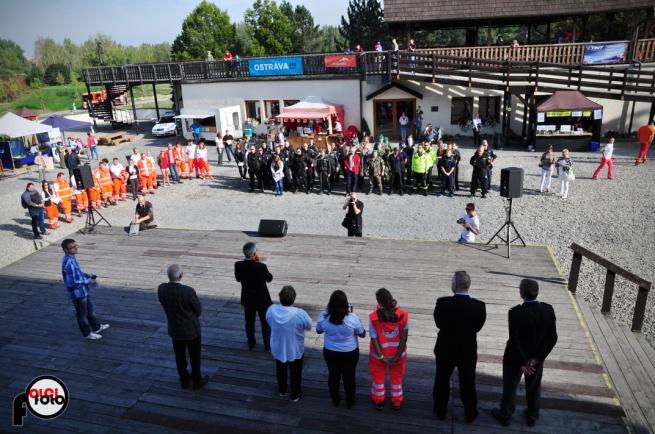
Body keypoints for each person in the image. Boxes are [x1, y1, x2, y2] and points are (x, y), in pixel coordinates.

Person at [491, 279, 558, 427]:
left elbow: (514, 340)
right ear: (537, 292)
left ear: (521, 293)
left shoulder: (515, 312)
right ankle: (532, 415)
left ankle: (505, 414)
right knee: (534, 387)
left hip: (514, 357)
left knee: (510, 385)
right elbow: (552, 338)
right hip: (536, 358)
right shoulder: (548, 310)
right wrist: (536, 359)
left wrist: (523, 361)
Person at [433, 271, 486, 423]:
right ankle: (470, 413)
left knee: (442, 380)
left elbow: (438, 323)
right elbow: (478, 326)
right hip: (467, 350)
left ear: (454, 285)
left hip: (445, 348)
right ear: (468, 285)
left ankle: (440, 411)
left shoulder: (442, 303)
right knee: (468, 382)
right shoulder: (479, 306)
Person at [158, 264, 209, 390]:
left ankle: (184, 380)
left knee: (179, 357)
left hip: (175, 329)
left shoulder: (162, 289)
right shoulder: (188, 291)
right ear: (181, 276)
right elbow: (198, 311)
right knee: (194, 357)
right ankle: (197, 380)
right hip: (191, 330)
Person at [316, 290, 366, 408]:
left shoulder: (323, 317)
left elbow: (318, 330)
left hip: (330, 352)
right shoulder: (352, 318)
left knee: (333, 376)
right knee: (349, 377)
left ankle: (335, 399)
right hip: (350, 353)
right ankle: (350, 401)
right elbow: (362, 334)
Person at [266, 286, 312, 402]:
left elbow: (268, 320)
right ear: (293, 299)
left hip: (278, 347)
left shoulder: (271, 309)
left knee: (280, 370)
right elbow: (309, 326)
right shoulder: (299, 313)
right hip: (295, 348)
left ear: (280, 297)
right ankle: (295, 395)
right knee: (295, 372)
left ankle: (282, 391)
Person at [60, 238, 110, 340]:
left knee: (89, 310)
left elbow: (76, 274)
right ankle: (87, 333)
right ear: (66, 250)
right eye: (72, 247)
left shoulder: (71, 258)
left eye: (75, 246)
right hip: (77, 294)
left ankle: (96, 327)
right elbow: (72, 283)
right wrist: (88, 281)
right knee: (81, 315)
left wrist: (86, 275)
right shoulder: (69, 264)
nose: (76, 248)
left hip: (83, 291)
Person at [368, 288, 409, 411]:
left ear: (379, 302)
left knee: (378, 378)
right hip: (398, 355)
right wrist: (397, 356)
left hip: (379, 357)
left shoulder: (373, 317)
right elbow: (404, 338)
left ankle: (379, 400)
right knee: (397, 378)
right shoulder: (404, 315)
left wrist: (381, 356)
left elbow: (374, 338)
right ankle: (396, 401)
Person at [234, 242, 273, 351]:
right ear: (254, 253)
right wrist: (258, 263)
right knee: (265, 323)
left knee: (249, 322)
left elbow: (238, 279)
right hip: (262, 300)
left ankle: (251, 343)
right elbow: (269, 278)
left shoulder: (238, 265)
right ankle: (267, 344)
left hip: (248, 298)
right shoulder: (261, 267)